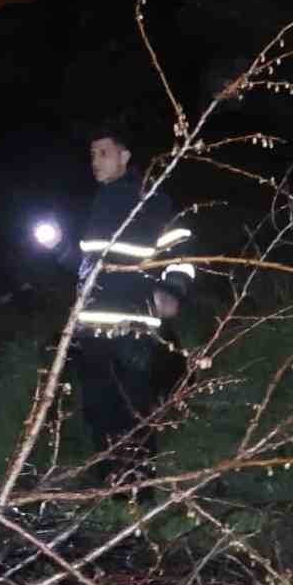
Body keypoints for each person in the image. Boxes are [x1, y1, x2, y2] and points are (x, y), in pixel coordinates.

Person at [46, 124, 196, 492]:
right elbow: (90, 269)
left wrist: (173, 290)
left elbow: (182, 249)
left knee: (135, 416)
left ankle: (140, 495)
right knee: (99, 414)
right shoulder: (96, 204)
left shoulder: (151, 200)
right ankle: (109, 492)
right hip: (91, 333)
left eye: (103, 153)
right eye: (92, 154)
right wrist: (59, 248)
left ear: (124, 156)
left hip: (133, 330)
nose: (95, 161)